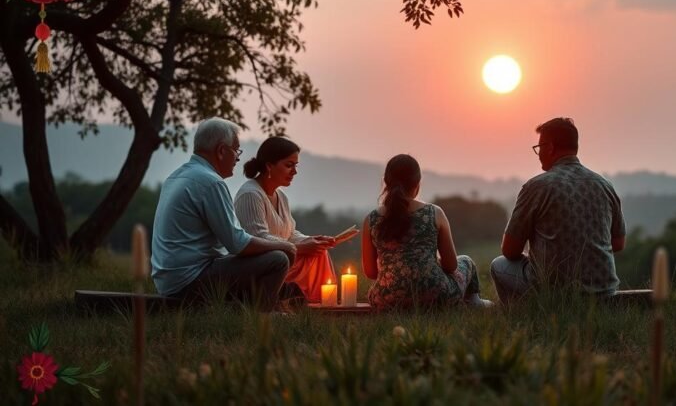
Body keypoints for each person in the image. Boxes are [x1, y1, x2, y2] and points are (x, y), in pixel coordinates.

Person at [151, 117, 297, 311]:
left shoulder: (176, 176)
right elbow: (237, 243)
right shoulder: (211, 182)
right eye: (236, 150)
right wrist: (285, 245)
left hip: (168, 281)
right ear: (221, 151)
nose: (238, 158)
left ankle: (244, 307)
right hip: (188, 281)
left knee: (269, 258)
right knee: (278, 259)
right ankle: (261, 315)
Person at [490, 117, 626, 302]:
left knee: (498, 265)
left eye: (539, 147)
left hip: (554, 293)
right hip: (605, 292)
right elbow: (618, 243)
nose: (538, 154)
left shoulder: (537, 187)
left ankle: (521, 315)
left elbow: (510, 250)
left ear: (550, 147)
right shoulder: (605, 185)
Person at [361, 154, 492, 309]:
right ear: (417, 184)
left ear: (386, 183)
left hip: (387, 300)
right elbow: (451, 266)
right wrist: (428, 264)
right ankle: (474, 302)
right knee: (466, 261)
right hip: (436, 295)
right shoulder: (434, 213)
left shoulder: (371, 219)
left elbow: (370, 272)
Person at [234, 136, 338, 303]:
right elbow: (258, 238)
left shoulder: (281, 196)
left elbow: (289, 232)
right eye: (289, 165)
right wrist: (299, 248)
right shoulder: (250, 195)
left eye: (296, 166)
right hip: (262, 264)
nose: (294, 172)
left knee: (319, 253)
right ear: (269, 166)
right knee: (307, 253)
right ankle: (297, 300)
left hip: (283, 255)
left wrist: (311, 240)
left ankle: (319, 302)